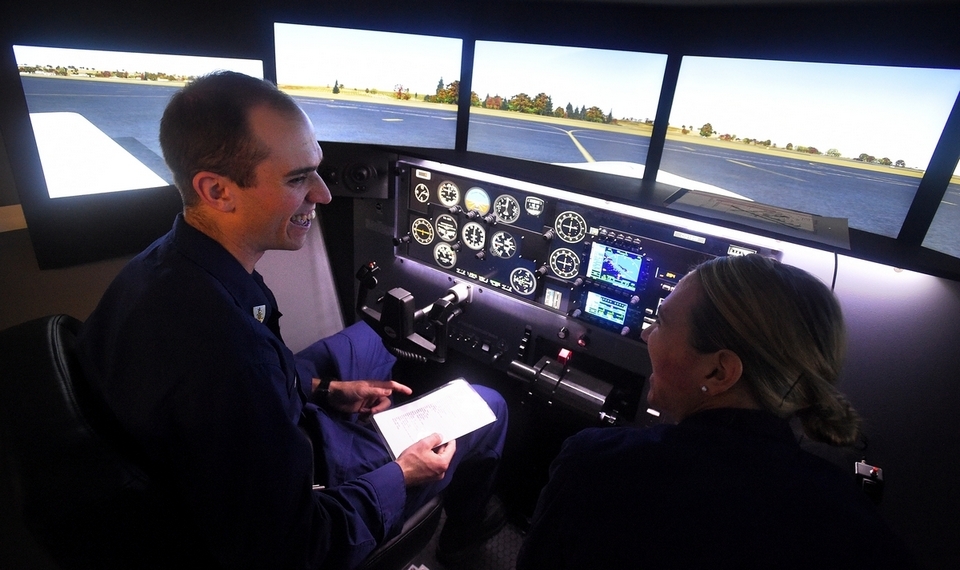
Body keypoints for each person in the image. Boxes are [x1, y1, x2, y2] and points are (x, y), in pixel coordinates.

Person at [76, 71, 507, 570]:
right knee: (488, 403)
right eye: (298, 178)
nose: (323, 195)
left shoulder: (165, 264)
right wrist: (403, 474)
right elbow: (296, 548)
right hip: (306, 489)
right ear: (217, 190)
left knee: (374, 338)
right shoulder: (228, 362)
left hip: (257, 434)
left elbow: (260, 372)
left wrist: (326, 390)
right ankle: (467, 534)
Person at [516, 254, 913, 569]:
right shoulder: (860, 524)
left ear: (719, 371)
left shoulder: (594, 464)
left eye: (663, 322)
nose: (645, 333)